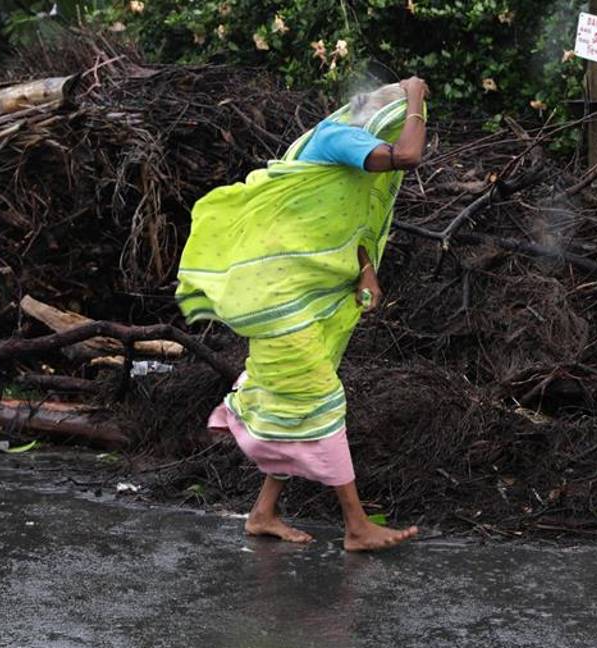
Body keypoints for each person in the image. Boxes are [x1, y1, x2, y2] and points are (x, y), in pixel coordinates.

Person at [175, 77, 429, 551]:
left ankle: (262, 512)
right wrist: (414, 95)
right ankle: (357, 526)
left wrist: (366, 269)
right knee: (318, 398)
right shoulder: (339, 137)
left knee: (291, 399)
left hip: (307, 295)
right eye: (390, 116)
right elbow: (408, 156)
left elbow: (341, 219)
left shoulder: (344, 144)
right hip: (282, 298)